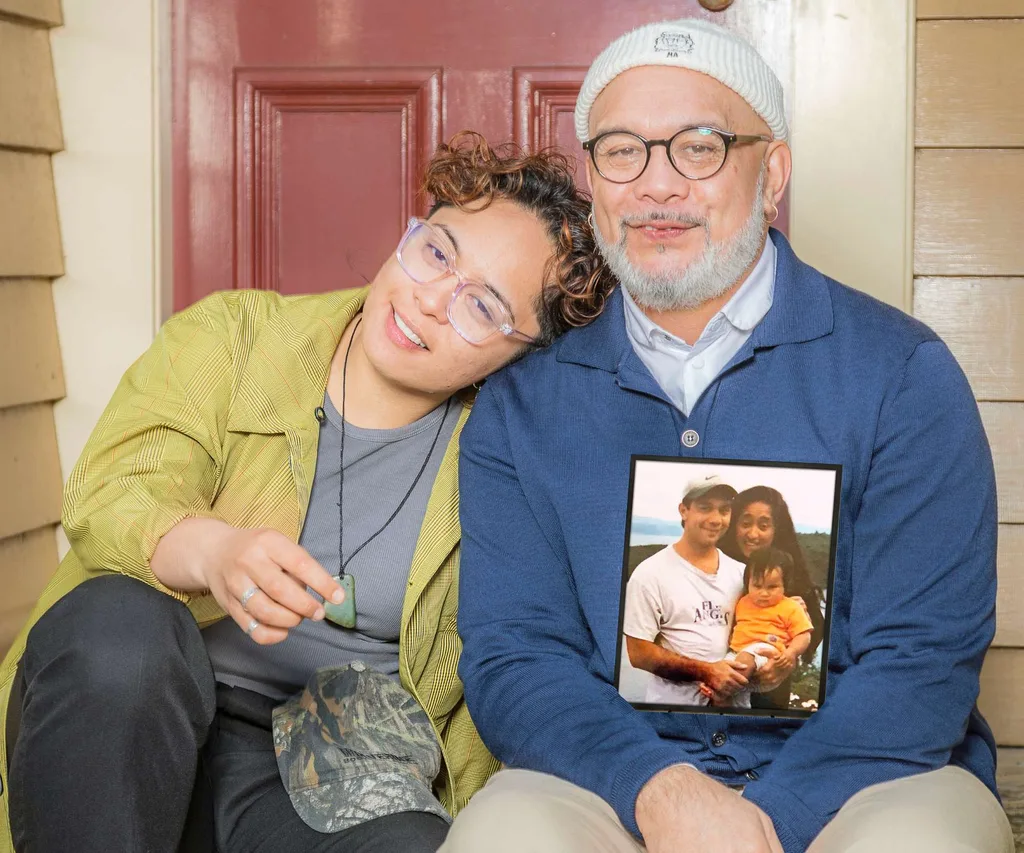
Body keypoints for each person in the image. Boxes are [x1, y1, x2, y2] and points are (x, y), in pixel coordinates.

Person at [443, 17, 1013, 853]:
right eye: (623, 150)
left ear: (771, 170)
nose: (656, 185)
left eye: (699, 147)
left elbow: (921, 663)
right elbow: (517, 657)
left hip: (869, 778)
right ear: (595, 180)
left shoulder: (903, 374)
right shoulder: (523, 402)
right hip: (613, 778)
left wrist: (761, 826)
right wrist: (663, 793)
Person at [0, 134, 616, 853]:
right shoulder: (235, 338)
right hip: (137, 723)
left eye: (481, 307)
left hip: (336, 761)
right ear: (409, 233)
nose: (429, 300)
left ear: (524, 350)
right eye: (437, 252)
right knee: (122, 633)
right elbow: (109, 495)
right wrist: (215, 552)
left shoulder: (507, 458)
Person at [623, 475, 751, 707]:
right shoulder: (650, 574)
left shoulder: (742, 574)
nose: (716, 519)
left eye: (724, 510)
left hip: (734, 714)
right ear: (684, 510)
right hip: (674, 715)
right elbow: (638, 653)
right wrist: (706, 672)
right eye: (705, 508)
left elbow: (765, 621)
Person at [719, 485, 826, 708]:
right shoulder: (717, 569)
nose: (753, 534)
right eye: (745, 523)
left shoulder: (789, 576)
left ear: (777, 529)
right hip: (722, 684)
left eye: (763, 525)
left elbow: (815, 630)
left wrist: (786, 661)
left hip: (770, 696)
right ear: (733, 525)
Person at [713, 547, 813, 710]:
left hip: (767, 653)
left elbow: (804, 634)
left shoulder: (790, 606)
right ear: (748, 583)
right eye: (757, 586)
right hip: (737, 653)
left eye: (772, 587)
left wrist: (791, 653)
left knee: (742, 663)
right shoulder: (743, 601)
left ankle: (723, 690)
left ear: (784, 585)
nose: (763, 593)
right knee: (723, 677)